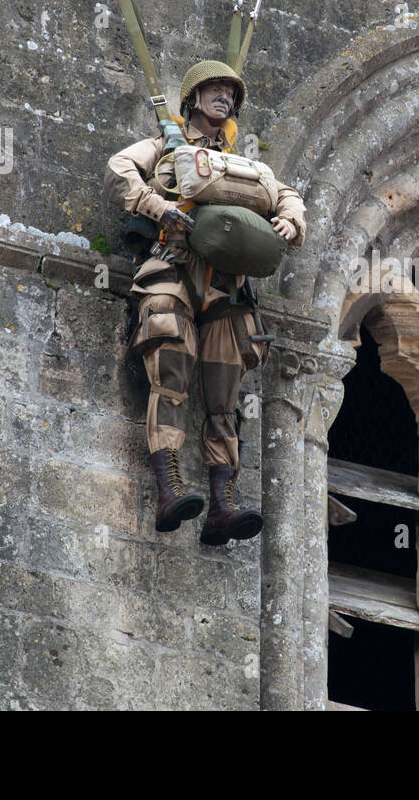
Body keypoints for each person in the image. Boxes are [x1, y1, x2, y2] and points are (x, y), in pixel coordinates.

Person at [105, 60, 306, 544]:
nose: (224, 98)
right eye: (215, 89)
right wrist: (157, 205)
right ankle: (170, 488)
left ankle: (223, 502)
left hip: (226, 290)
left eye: (230, 93)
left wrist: (290, 222)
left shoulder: (246, 163)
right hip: (172, 272)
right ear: (194, 97)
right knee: (170, 374)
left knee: (224, 396)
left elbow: (288, 196)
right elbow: (118, 169)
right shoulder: (166, 147)